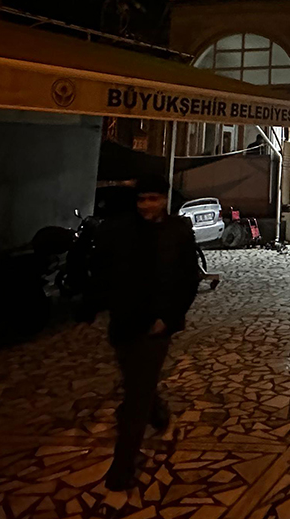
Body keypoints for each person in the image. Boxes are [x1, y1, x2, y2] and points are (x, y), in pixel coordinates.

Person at [87, 176, 199, 491]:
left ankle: (122, 465)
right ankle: (159, 412)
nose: (147, 205)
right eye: (142, 199)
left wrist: (169, 316)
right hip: (124, 322)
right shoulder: (121, 231)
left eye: (153, 198)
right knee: (135, 382)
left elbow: (188, 279)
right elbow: (104, 271)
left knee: (135, 397)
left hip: (156, 325)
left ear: (164, 200)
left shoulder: (177, 232)